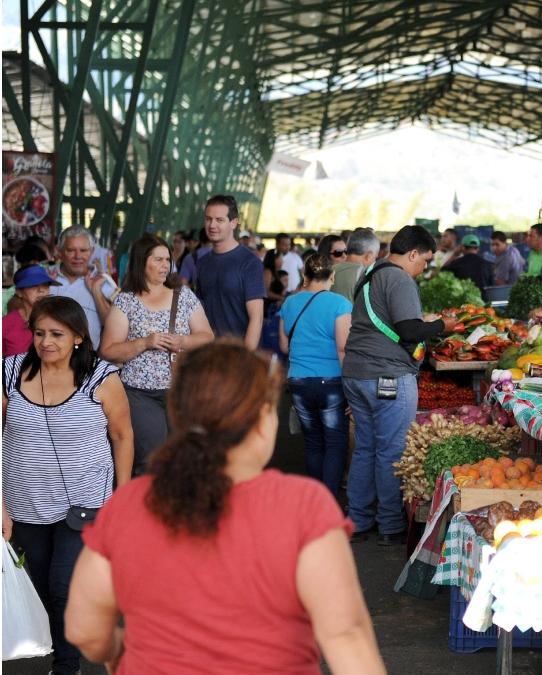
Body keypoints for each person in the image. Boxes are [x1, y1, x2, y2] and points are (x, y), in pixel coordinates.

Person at [63, 342, 386, 674]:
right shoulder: (302, 505)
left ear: (179, 415)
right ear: (263, 419)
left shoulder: (131, 504)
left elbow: (82, 629)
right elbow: (345, 635)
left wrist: (118, 652)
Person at [3, 296, 133, 675]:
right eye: (39, 333)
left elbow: (122, 436)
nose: (46, 342)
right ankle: (65, 642)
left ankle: (66, 665)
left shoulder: (100, 377)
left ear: (78, 336)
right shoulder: (9, 372)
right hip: (25, 501)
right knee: (42, 587)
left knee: (62, 586)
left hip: (86, 501)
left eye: (57, 334)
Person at [342, 227, 455, 545]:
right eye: (425, 261)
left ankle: (359, 518)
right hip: (387, 377)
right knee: (392, 450)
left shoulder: (370, 273)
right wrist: (441, 325)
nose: (424, 269)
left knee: (365, 448)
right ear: (413, 253)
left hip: (356, 373)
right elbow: (408, 330)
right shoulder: (400, 278)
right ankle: (390, 523)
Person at [100, 233, 214, 475]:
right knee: (151, 456)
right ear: (142, 262)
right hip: (139, 393)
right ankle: (146, 509)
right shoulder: (126, 301)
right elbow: (109, 350)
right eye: (158, 260)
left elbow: (207, 337)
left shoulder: (183, 296)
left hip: (180, 390)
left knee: (181, 456)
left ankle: (177, 508)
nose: (166, 266)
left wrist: (181, 340)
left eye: (167, 260)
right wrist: (144, 343)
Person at [279, 254, 353, 498]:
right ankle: (329, 502)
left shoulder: (289, 303)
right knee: (334, 444)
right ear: (332, 276)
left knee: (313, 442)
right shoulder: (340, 304)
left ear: (304, 276)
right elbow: (343, 348)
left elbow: (283, 346)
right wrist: (352, 390)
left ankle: (313, 500)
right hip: (331, 382)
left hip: (298, 381)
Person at [193, 195, 267, 349]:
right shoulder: (202, 263)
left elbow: (257, 317)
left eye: (219, 220)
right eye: (208, 219)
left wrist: (245, 358)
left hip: (238, 356)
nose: (212, 225)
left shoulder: (250, 262)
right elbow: (199, 311)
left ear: (233, 223)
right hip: (209, 353)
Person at [49, 225, 118, 349]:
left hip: (87, 360)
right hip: (49, 356)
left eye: (83, 250)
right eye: (71, 250)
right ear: (59, 251)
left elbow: (115, 327)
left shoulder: (103, 281)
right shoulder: (46, 277)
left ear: (91, 252)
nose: (77, 256)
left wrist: (97, 292)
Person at [4, 265, 59, 356]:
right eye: (33, 285)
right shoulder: (6, 324)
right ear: (19, 292)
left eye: (45, 285)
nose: (41, 290)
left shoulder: (59, 319)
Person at [331, 227, 378, 301]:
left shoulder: (329, 271)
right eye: (375, 257)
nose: (374, 261)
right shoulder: (368, 276)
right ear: (369, 255)